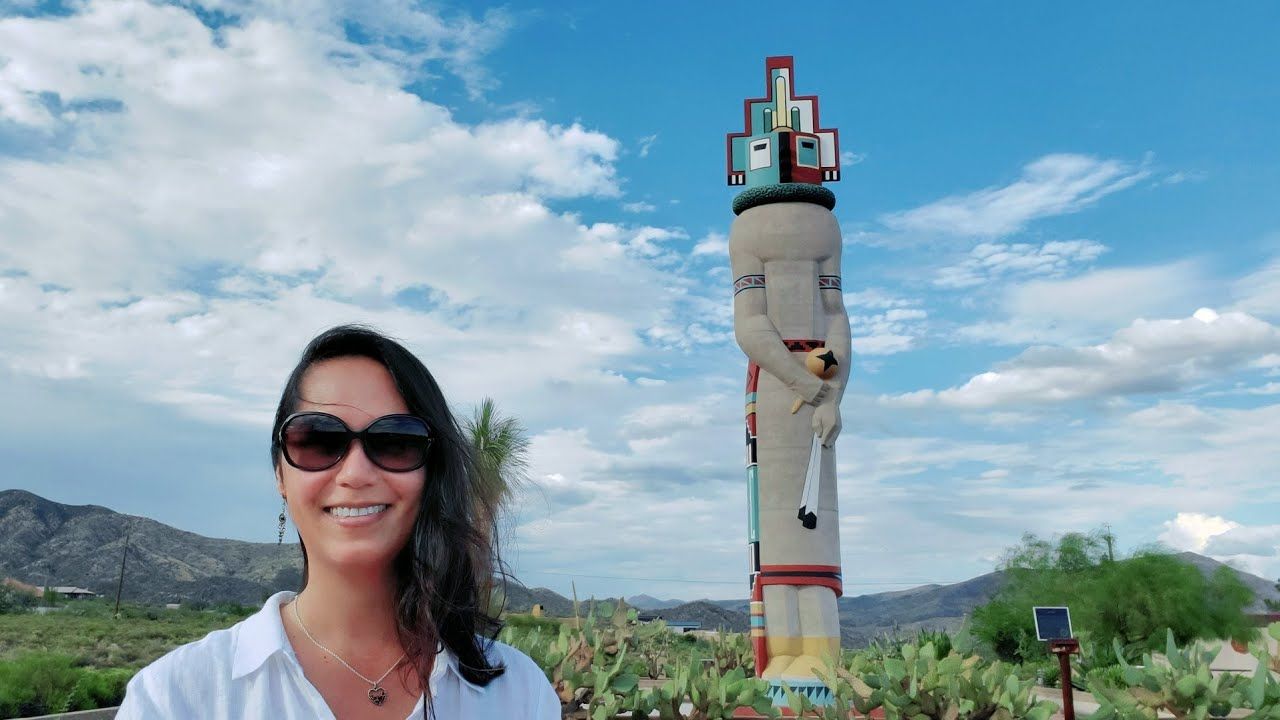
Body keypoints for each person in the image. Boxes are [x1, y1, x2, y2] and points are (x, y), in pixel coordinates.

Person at [117, 325, 560, 719]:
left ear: (432, 473)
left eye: (396, 441)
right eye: (318, 440)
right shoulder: (176, 698)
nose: (355, 473)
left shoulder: (519, 694)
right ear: (280, 475)